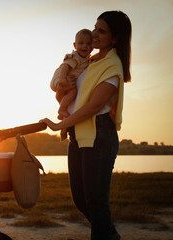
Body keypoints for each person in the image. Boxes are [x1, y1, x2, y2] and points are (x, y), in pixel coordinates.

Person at [41, 10, 131, 240]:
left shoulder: (112, 65)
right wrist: (61, 88)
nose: (94, 34)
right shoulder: (89, 62)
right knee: (81, 199)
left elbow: (92, 106)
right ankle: (110, 235)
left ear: (115, 38)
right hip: (78, 135)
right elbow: (68, 94)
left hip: (99, 135)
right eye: (94, 28)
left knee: (96, 201)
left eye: (101, 31)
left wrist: (58, 125)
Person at [51, 29, 93, 121]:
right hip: (62, 78)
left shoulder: (86, 59)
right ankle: (62, 109)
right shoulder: (75, 57)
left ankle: (63, 111)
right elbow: (65, 66)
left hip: (65, 81)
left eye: (88, 43)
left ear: (92, 47)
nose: (85, 46)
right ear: (75, 45)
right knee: (73, 92)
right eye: (81, 43)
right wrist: (62, 79)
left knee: (65, 95)